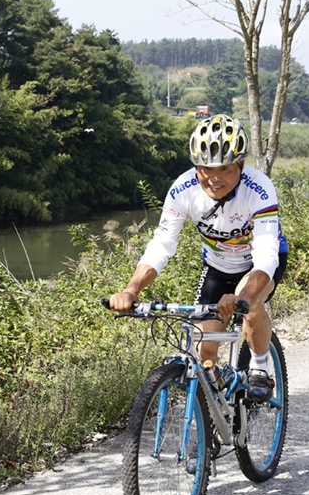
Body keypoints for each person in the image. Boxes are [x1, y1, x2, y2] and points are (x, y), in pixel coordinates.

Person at [109, 114, 288, 401]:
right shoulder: (183, 189)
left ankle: (260, 365)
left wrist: (242, 297)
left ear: (240, 165)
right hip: (217, 266)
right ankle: (218, 415)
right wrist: (132, 289)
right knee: (205, 352)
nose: (213, 178)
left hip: (258, 267)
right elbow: (162, 244)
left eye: (225, 169)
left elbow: (266, 255)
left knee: (250, 304)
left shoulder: (259, 188)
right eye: (204, 168)